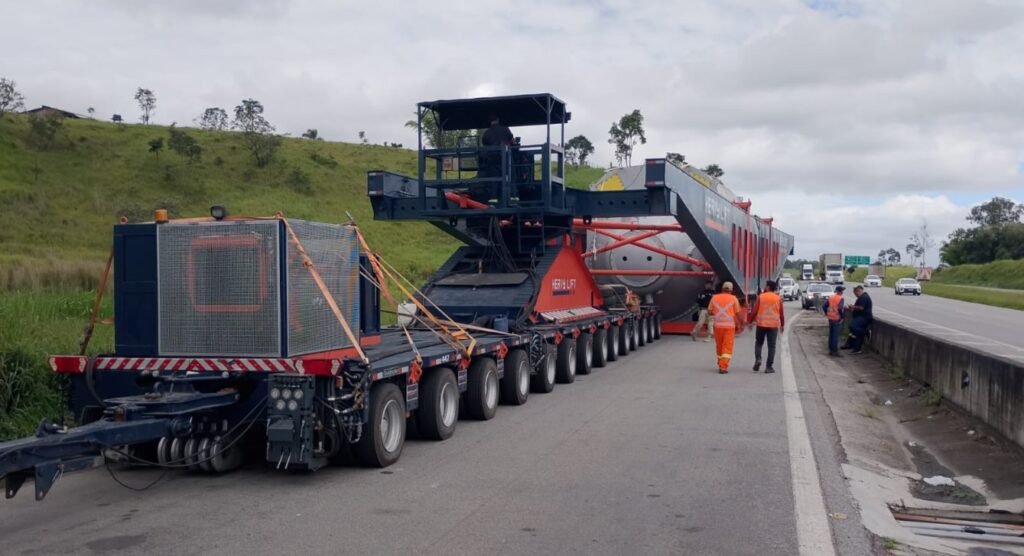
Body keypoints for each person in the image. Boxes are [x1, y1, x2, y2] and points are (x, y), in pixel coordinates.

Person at [474, 113, 514, 203]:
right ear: (498, 120)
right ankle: (512, 197)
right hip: (506, 158)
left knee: (494, 179)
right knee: (511, 176)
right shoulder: (506, 129)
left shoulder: (486, 133)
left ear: (489, 122)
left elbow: (484, 147)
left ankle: (494, 199)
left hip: (492, 160)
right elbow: (512, 141)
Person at [748, 280, 785, 373]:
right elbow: (781, 314)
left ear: (768, 287)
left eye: (766, 286)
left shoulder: (761, 297)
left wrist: (750, 321)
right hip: (773, 325)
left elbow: (754, 311)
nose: (764, 287)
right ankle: (769, 367)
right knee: (772, 346)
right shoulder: (778, 298)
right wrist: (782, 325)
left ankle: (758, 359)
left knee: (759, 343)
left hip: (761, 324)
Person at [710, 281, 743, 374]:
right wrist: (742, 323)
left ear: (722, 289)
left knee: (719, 346)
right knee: (727, 346)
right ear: (731, 290)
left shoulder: (714, 298)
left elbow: (709, 311)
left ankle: (720, 363)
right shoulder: (734, 299)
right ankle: (723, 367)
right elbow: (738, 313)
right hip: (729, 327)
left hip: (717, 326)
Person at [843, 285, 873, 354]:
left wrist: (853, 306)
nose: (855, 295)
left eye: (855, 293)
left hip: (864, 317)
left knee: (852, 326)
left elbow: (861, 308)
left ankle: (865, 332)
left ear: (858, 291)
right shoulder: (860, 297)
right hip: (858, 317)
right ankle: (851, 344)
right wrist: (851, 308)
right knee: (852, 331)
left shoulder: (864, 297)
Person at [823, 285, 846, 356]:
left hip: (830, 318)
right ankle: (835, 351)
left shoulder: (831, 297)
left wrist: (827, 313)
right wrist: (842, 316)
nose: (842, 292)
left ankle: (830, 350)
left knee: (831, 334)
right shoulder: (840, 298)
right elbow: (839, 308)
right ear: (840, 291)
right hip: (836, 318)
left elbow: (824, 306)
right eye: (842, 291)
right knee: (835, 335)